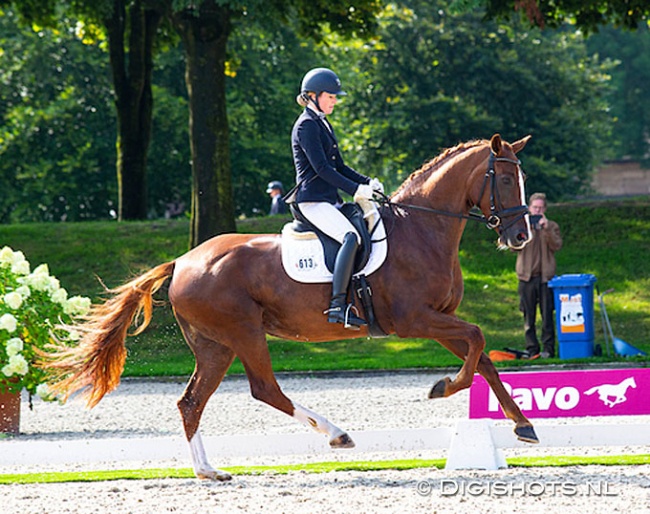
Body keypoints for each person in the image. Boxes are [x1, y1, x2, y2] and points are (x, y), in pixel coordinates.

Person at [286, 67, 384, 329]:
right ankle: (338, 305)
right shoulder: (306, 125)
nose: (335, 101)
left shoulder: (322, 123)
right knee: (350, 237)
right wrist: (354, 190)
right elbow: (322, 169)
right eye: (331, 96)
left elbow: (339, 166)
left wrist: (367, 182)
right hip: (312, 201)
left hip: (329, 199)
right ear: (313, 96)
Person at [516, 192, 563, 358]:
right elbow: (515, 246)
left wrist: (546, 228)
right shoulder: (521, 226)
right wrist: (527, 228)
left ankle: (549, 349)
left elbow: (557, 245)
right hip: (526, 278)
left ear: (545, 209)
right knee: (528, 317)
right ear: (529, 208)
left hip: (545, 279)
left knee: (547, 317)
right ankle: (531, 349)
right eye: (535, 207)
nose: (537, 210)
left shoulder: (552, 226)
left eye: (541, 208)